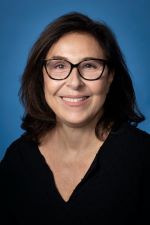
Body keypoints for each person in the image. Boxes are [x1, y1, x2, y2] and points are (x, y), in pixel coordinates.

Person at [0, 12, 150, 225]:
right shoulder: (18, 159)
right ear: (41, 76)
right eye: (59, 66)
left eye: (89, 66)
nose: (75, 82)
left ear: (110, 76)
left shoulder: (143, 157)